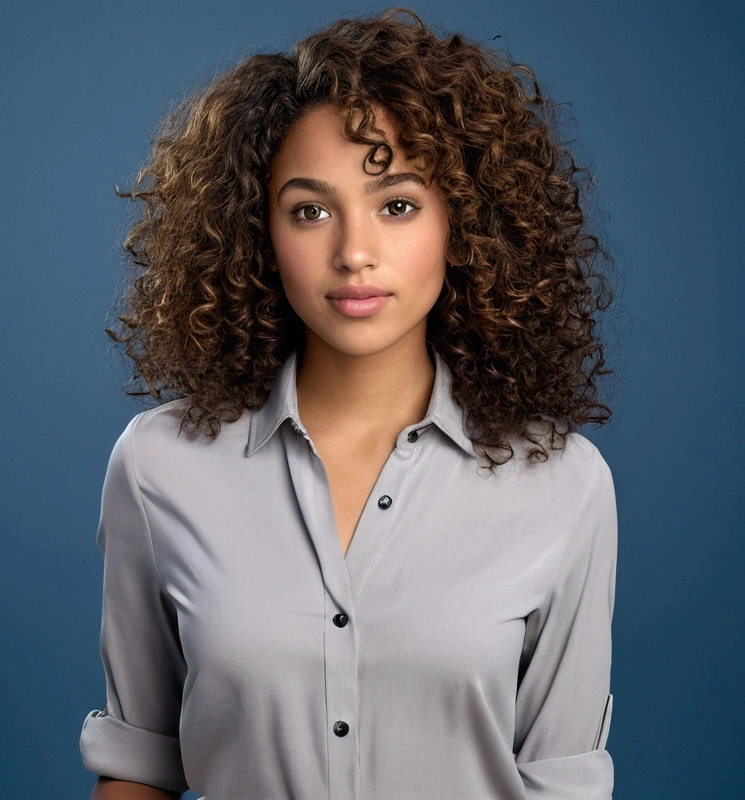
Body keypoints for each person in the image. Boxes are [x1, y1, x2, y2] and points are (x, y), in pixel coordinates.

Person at [79, 7, 619, 799]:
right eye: (310, 210)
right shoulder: (161, 468)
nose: (354, 252)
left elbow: (563, 783)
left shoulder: (563, 485)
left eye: (396, 204)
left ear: (461, 224)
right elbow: (139, 769)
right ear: (257, 233)